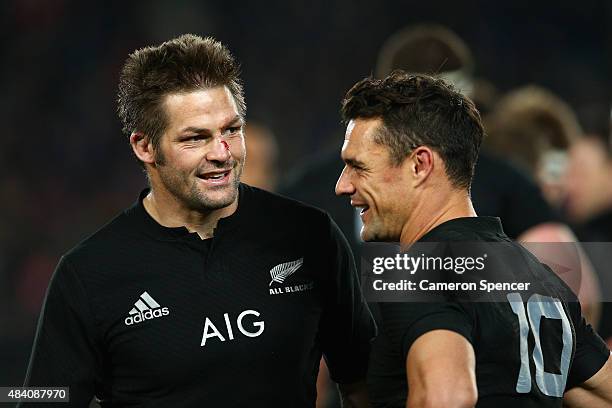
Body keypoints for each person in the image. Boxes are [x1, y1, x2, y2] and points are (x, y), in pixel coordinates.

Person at [21, 34, 375, 407]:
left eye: (231, 130)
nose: (222, 154)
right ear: (144, 146)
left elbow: (361, 382)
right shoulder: (88, 275)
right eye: (196, 138)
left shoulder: (309, 235)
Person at [335, 71, 611, 407]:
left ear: (420, 165)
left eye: (358, 167)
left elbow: (447, 397)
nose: (343, 185)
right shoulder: (541, 276)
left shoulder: (415, 269)